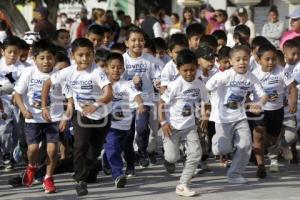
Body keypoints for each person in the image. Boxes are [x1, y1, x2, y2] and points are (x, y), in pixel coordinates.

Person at [41, 38, 113, 196]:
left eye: (88, 55)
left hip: (103, 116)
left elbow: (109, 93)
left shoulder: (97, 72)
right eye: (80, 55)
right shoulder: (68, 71)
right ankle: (80, 181)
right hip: (82, 114)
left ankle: (88, 170)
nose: (85, 59)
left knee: (93, 152)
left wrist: (96, 104)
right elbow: (47, 83)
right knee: (80, 146)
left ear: (93, 54)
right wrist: (44, 106)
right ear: (73, 55)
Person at [206, 45, 268, 184]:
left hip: (240, 117)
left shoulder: (251, 77)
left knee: (246, 145)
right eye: (238, 59)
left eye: (245, 59)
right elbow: (207, 87)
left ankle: (234, 174)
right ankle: (216, 143)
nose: (242, 62)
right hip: (222, 119)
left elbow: (263, 95)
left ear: (249, 60)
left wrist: (259, 104)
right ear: (231, 61)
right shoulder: (224, 75)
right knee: (222, 149)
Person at [14, 39, 66, 193]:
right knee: (33, 149)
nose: (46, 61)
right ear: (34, 58)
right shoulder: (29, 73)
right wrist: (24, 110)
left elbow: (69, 96)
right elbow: (17, 94)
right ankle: (31, 167)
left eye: (49, 58)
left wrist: (64, 117)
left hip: (53, 118)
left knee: (52, 150)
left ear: (55, 58)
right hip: (33, 118)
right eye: (42, 58)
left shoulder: (59, 75)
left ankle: (48, 178)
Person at [159, 49, 209, 197]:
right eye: (185, 70)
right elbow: (161, 103)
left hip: (190, 127)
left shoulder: (200, 84)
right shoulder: (175, 85)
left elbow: (206, 102)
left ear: (197, 67)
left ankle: (183, 184)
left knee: (196, 153)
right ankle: (170, 157)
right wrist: (163, 123)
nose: (189, 73)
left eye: (192, 69)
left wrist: (205, 116)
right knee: (172, 157)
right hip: (172, 127)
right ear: (178, 69)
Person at [251, 44, 297, 177]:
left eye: (273, 59)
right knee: (258, 137)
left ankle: (273, 149)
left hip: (277, 111)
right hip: (260, 111)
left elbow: (293, 87)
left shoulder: (282, 71)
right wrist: (249, 105)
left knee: (272, 139)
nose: (271, 62)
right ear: (259, 60)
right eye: (267, 59)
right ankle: (261, 166)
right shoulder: (253, 74)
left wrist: (293, 101)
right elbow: (246, 92)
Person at [103, 52, 144, 188]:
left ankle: (106, 159)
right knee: (113, 146)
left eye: (119, 67)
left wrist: (140, 104)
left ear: (123, 69)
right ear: (106, 68)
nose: (116, 70)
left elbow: (136, 95)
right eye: (113, 67)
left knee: (117, 149)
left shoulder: (126, 84)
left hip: (125, 125)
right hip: (109, 124)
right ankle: (118, 175)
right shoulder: (102, 85)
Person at [122, 27, 157, 168]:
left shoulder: (149, 59)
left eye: (141, 40)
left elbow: (157, 76)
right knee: (128, 133)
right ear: (126, 43)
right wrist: (131, 82)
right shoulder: (122, 59)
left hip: (145, 100)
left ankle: (142, 150)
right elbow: (117, 79)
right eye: (134, 40)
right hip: (126, 102)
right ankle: (130, 160)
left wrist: (158, 82)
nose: (137, 43)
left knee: (142, 128)